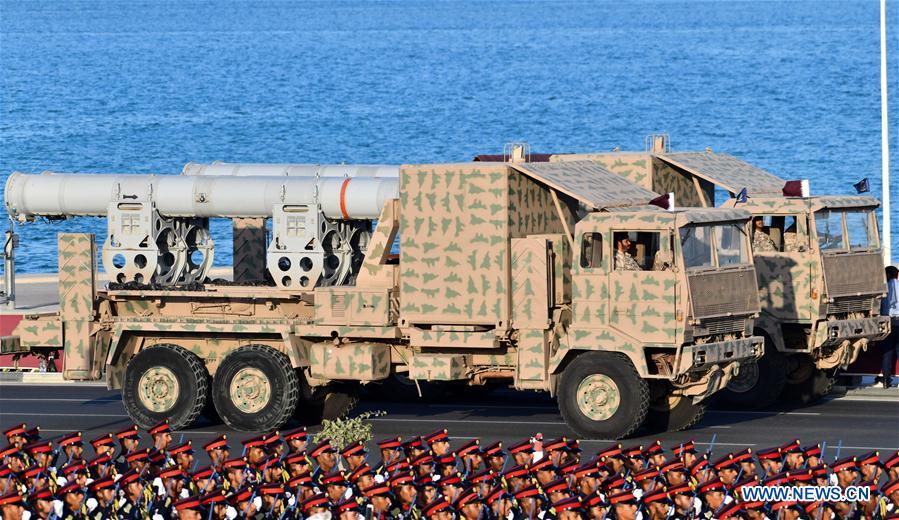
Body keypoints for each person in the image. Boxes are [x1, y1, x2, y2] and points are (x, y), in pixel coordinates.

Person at [878, 265, 899, 388]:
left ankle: (886, 380)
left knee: (887, 352)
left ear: (888, 275)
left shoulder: (883, 288)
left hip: (888, 322)